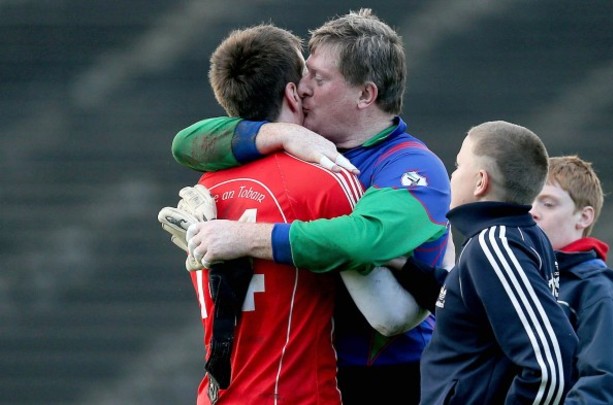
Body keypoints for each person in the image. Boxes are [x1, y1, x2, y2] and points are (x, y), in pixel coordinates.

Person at [177, 9, 452, 404]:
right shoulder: (301, 148)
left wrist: (248, 238)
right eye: (305, 75)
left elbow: (366, 238)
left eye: (319, 79)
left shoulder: (412, 166)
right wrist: (280, 132)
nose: (301, 88)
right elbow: (185, 143)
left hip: (389, 376)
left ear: (365, 95)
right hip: (317, 370)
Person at [418, 120, 579, 404]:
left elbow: (550, 367)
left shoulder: (494, 244)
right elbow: (473, 310)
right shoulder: (516, 235)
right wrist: (404, 269)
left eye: (458, 166)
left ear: (481, 181)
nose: (452, 176)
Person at [530, 155, 613, 404]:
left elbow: (598, 388)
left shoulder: (597, 290)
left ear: (584, 217)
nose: (532, 212)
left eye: (548, 204)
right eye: (528, 201)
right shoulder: (517, 277)